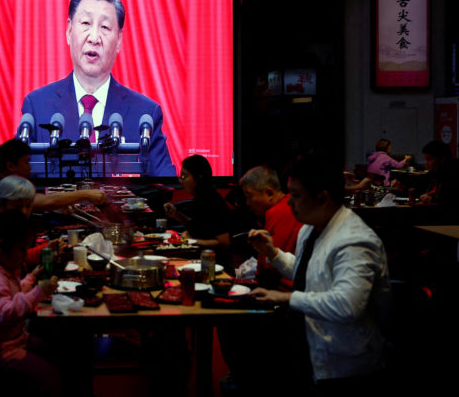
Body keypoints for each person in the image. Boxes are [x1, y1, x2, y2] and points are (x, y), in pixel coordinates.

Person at [248, 152, 390, 391]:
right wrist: (274, 254)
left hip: (348, 366)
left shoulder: (354, 241)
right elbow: (310, 274)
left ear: (323, 198)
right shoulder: (311, 227)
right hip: (314, 348)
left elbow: (347, 305)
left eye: (295, 195)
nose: (289, 202)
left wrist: (287, 297)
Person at [19, 0, 175, 177]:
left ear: (118, 40)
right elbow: (17, 186)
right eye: (85, 23)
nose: (94, 37)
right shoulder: (37, 105)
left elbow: (165, 186)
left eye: (105, 27)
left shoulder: (146, 114)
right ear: (69, 31)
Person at [0, 210, 60, 397]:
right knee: (50, 377)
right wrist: (40, 292)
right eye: (22, 249)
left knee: (51, 351)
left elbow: (12, 297)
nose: (25, 255)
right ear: (0, 246)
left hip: (10, 341)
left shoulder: (1, 270)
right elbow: (6, 314)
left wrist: (32, 277)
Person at [0, 139, 108, 213]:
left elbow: (43, 200)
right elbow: (45, 201)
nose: (30, 167)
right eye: (26, 162)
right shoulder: (0, 188)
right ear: (11, 166)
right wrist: (85, 194)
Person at [240, 164, 303, 290]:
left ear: (269, 193)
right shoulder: (279, 209)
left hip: (283, 292)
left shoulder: (279, 211)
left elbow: (269, 267)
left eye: (249, 196)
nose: (247, 203)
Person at [163, 155, 231, 264]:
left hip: (212, 263)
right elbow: (198, 227)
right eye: (180, 176)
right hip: (197, 256)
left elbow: (224, 243)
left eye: (184, 176)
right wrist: (176, 214)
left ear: (199, 178)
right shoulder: (200, 197)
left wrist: (192, 241)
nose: (181, 180)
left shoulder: (212, 200)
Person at [419, 140, 459, 206]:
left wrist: (433, 200)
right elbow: (419, 184)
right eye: (425, 159)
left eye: (429, 159)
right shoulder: (433, 174)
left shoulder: (454, 175)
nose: (426, 163)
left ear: (441, 159)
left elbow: (452, 199)